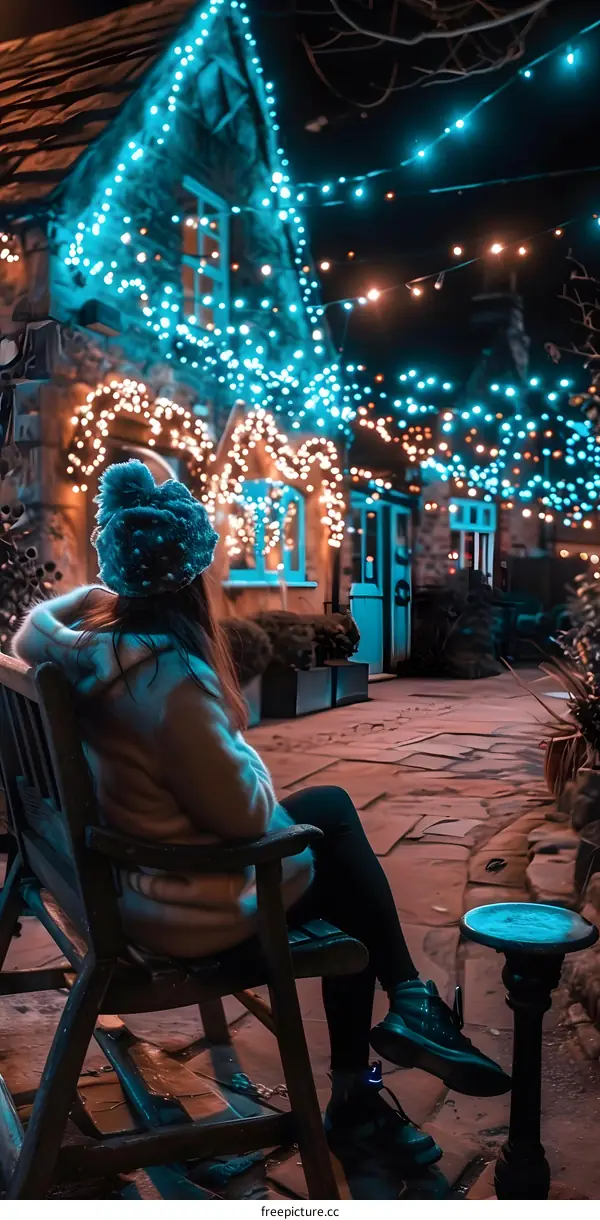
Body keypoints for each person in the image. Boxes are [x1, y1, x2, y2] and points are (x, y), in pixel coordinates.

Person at [12, 459, 510, 1171]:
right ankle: (363, 1083)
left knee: (331, 815)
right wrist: (242, 758)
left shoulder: (86, 647)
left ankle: (403, 1014)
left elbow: (38, 628)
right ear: (189, 579)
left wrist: (105, 591)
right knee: (342, 877)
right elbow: (246, 818)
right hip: (172, 907)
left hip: (110, 876)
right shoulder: (168, 679)